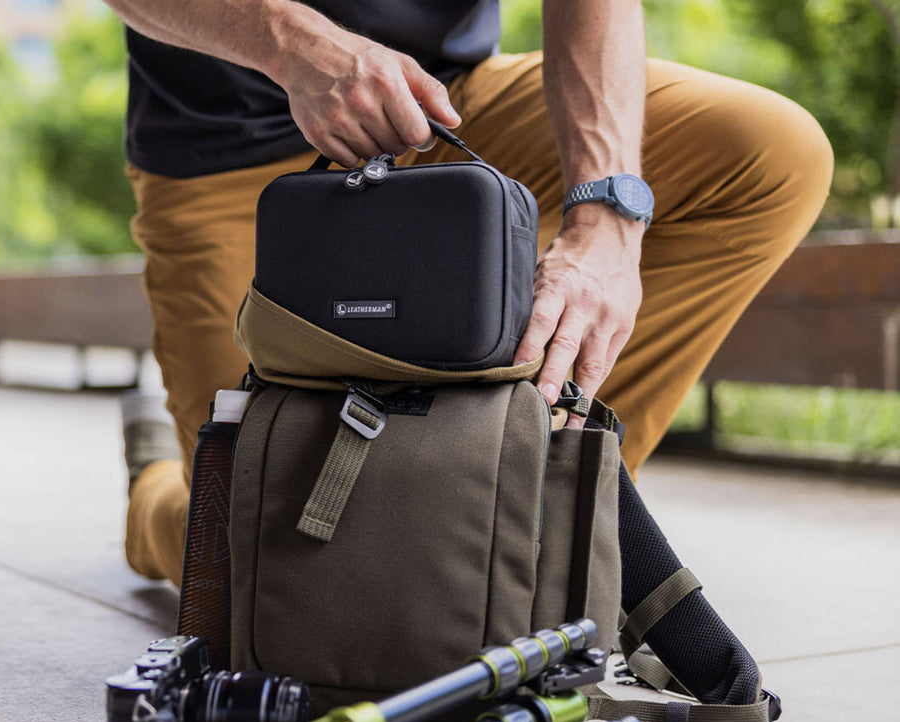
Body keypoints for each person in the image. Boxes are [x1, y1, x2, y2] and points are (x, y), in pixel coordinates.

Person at [107, 0, 833, 586]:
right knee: (263, 584)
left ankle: (545, 510)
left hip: (445, 111)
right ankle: (156, 492)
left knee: (772, 155)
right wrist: (296, 45)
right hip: (225, 157)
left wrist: (606, 212)